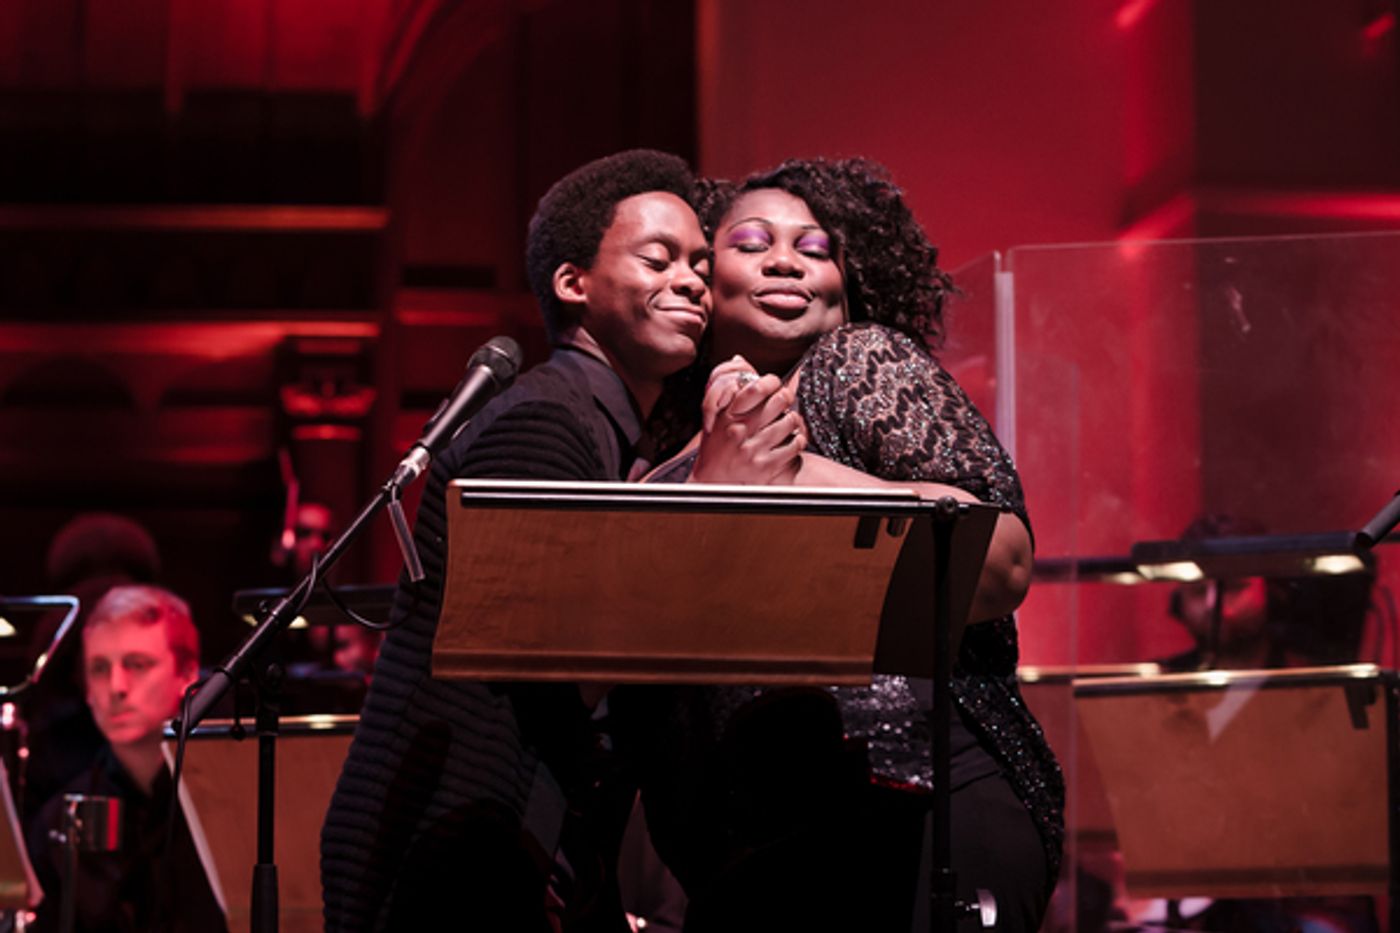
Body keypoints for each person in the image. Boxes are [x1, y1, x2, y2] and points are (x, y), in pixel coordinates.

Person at [618, 158, 1063, 932]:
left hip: (931, 807)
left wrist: (789, 471)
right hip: (754, 839)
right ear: (700, 276)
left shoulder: (857, 364)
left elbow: (1004, 562)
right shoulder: (663, 452)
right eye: (751, 242)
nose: (786, 258)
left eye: (815, 247)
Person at [320, 149, 712, 931]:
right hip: (454, 852)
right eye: (659, 257)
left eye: (700, 262)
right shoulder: (545, 417)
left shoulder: (596, 424)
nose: (694, 280)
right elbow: (555, 655)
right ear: (573, 284)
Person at [25, 584, 226, 933]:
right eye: (99, 668)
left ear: (188, 674)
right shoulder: (58, 820)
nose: (116, 686)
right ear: (86, 689)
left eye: (137, 664)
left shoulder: (231, 811)